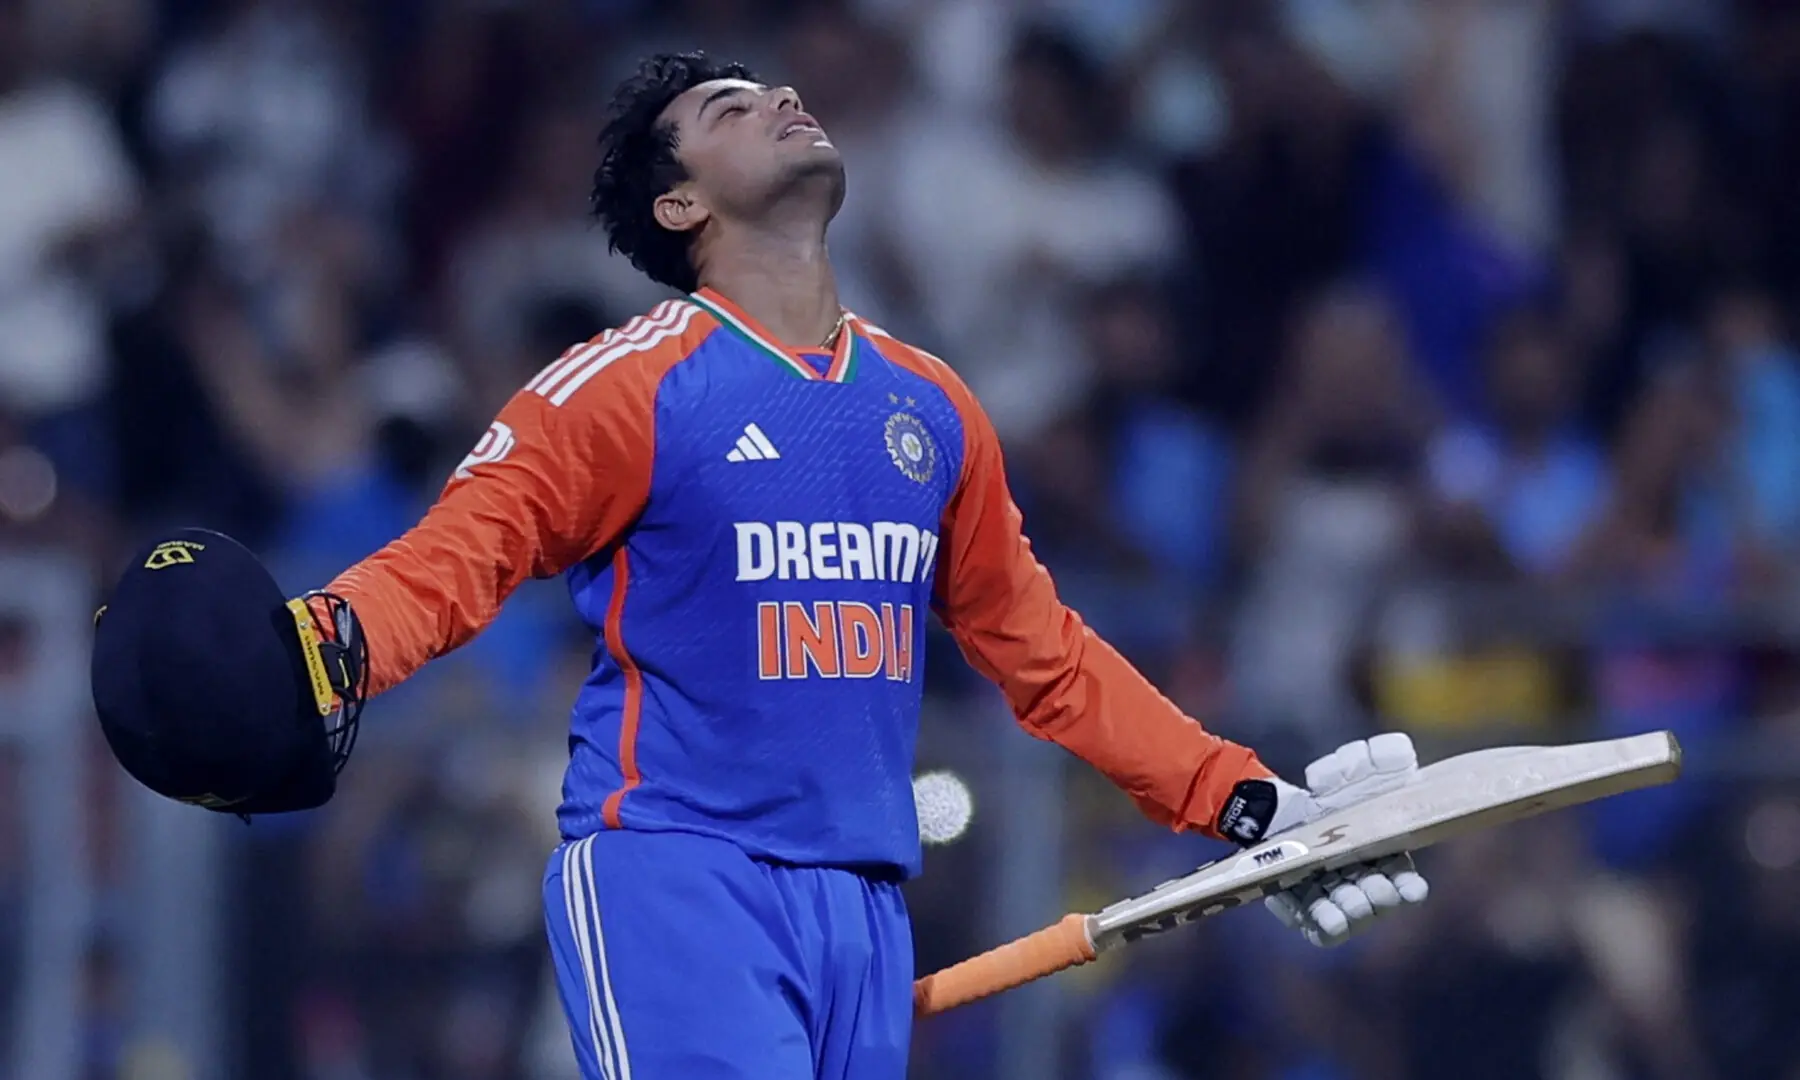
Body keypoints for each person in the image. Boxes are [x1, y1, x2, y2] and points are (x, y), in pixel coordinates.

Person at [302, 54, 1429, 1079]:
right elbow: (456, 560)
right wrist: (317, 649)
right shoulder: (624, 386)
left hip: (866, 905)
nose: (786, 100)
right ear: (681, 201)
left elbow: (1050, 661)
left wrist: (1246, 803)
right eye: (731, 110)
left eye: (777, 91)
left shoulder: (929, 404)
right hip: (683, 877)